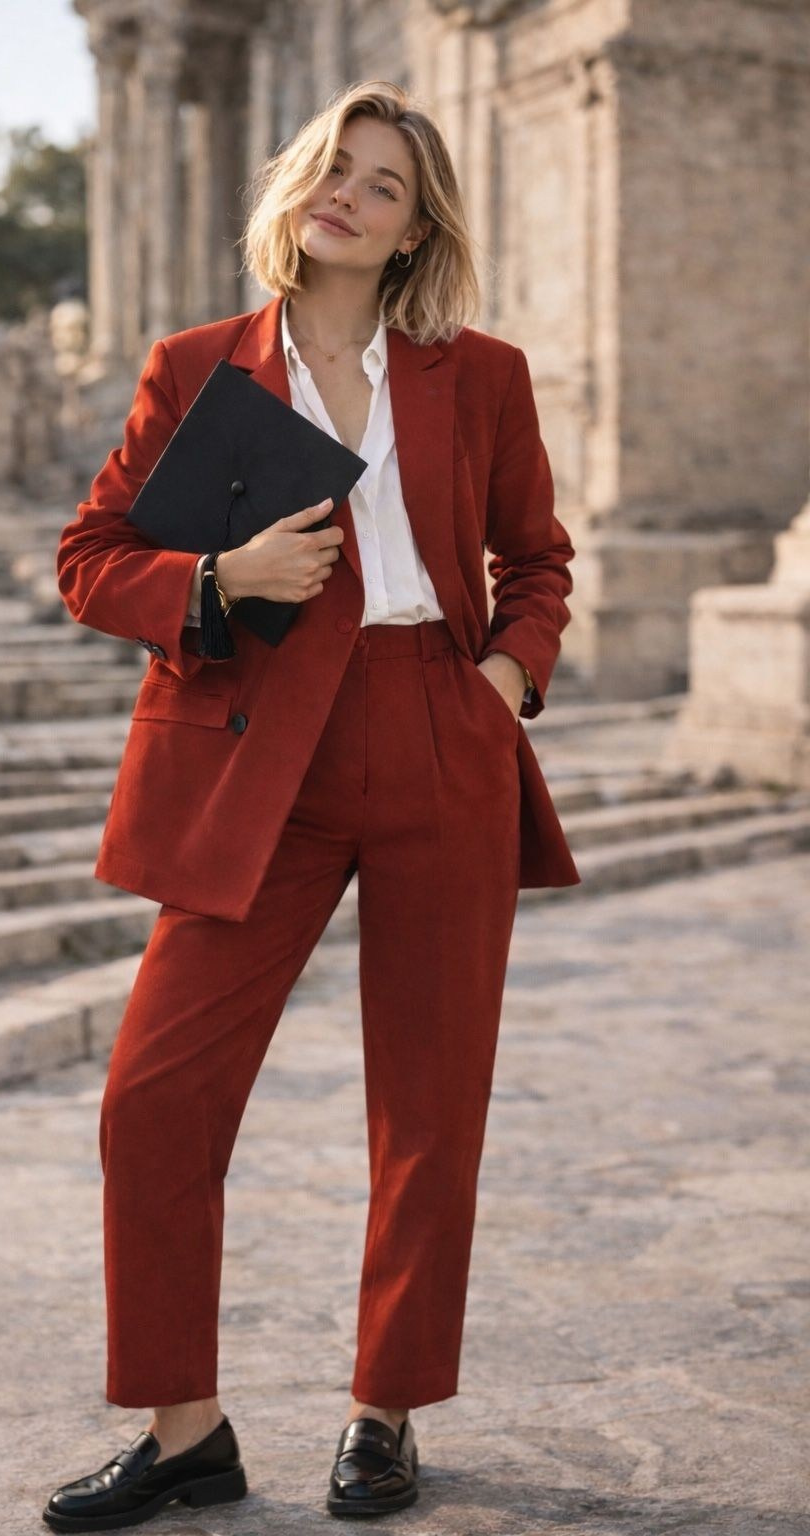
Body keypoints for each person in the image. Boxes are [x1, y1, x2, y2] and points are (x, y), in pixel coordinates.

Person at [44, 78, 579, 1531]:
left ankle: (384, 1411)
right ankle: (183, 1430)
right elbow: (90, 557)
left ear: (414, 233)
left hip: (437, 732)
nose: (349, 193)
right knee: (154, 1097)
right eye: (335, 168)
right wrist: (216, 584)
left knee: (428, 1108)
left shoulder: (481, 374)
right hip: (252, 751)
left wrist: (504, 690)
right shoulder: (201, 366)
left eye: (386, 184)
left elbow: (537, 562)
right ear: (298, 182)